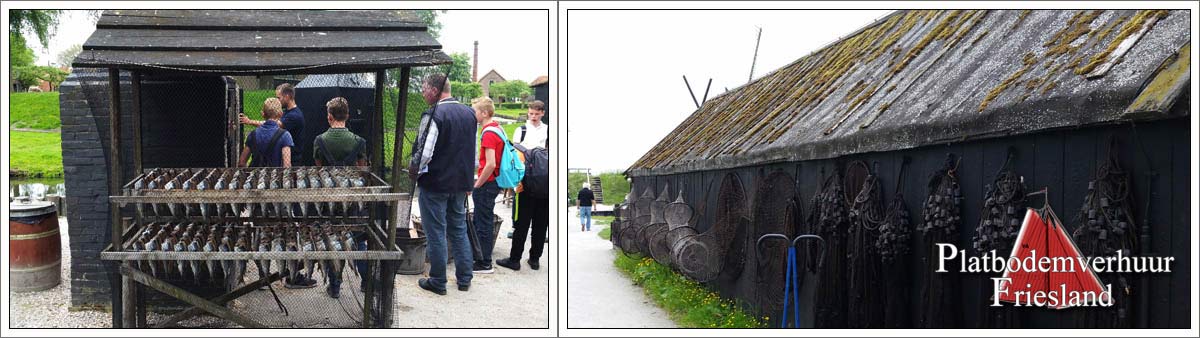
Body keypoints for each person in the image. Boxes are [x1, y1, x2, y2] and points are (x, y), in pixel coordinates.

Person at [409, 74, 476, 295]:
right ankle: (465, 278)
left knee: (436, 231)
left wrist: (413, 172)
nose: (422, 93)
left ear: (435, 90)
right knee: (458, 229)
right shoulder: (469, 113)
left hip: (436, 183)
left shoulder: (434, 114)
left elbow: (425, 153)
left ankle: (438, 281)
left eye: (424, 88)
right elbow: (471, 151)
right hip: (459, 184)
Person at [312, 97, 369, 298]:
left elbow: (319, 170)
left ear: (329, 117)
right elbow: (362, 170)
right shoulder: (359, 142)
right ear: (348, 116)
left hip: (329, 201)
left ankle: (334, 286)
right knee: (359, 238)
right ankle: (366, 282)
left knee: (333, 239)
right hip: (353, 200)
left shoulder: (320, 141)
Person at [469, 97, 503, 274]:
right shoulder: (497, 128)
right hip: (494, 181)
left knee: (483, 222)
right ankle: (482, 258)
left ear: (484, 113)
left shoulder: (488, 133)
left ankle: (484, 262)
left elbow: (490, 163)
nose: (474, 114)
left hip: (487, 183)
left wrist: (478, 184)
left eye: (475, 111)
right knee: (484, 220)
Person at [241, 83, 305, 165]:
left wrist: (250, 121)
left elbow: (273, 124)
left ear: (287, 96)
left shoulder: (295, 116)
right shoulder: (287, 112)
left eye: (279, 98)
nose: (277, 100)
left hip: (292, 159)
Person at [237, 98, 294, 168]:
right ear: (281, 114)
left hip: (256, 176)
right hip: (275, 176)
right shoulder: (285, 135)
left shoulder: (252, 135)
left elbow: (241, 163)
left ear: (262, 114)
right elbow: (287, 164)